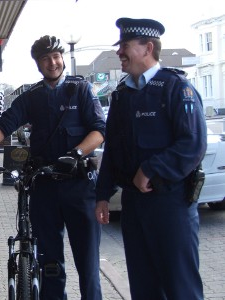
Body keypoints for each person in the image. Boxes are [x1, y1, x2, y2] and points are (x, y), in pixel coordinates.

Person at [0, 35, 105, 299]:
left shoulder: (81, 90)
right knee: (49, 264)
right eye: (45, 59)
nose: (52, 63)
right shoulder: (33, 97)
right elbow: (3, 125)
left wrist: (75, 153)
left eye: (56, 56)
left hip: (79, 187)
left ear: (62, 58)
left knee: (88, 265)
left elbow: (100, 131)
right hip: (45, 190)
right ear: (38, 64)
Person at [95, 18, 206, 299]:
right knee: (144, 289)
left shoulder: (176, 88)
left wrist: (150, 168)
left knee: (181, 289)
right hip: (134, 207)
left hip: (172, 206)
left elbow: (193, 144)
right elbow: (113, 151)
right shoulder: (121, 95)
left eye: (125, 46)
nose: (120, 52)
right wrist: (102, 195)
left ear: (148, 47)